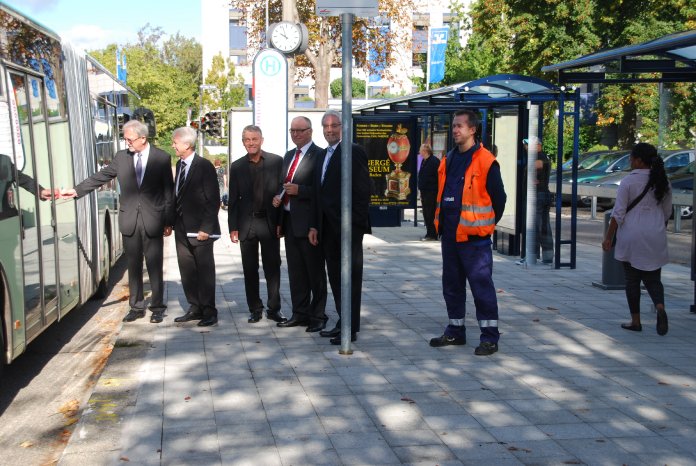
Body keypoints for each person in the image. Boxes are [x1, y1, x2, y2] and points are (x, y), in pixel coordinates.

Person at [62, 120, 174, 323]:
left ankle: (157, 306)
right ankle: (137, 306)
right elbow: (103, 176)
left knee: (154, 264)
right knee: (133, 265)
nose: (127, 142)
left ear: (142, 138)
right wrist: (77, 190)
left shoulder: (161, 158)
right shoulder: (121, 158)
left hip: (153, 219)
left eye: (129, 139)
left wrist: (168, 221)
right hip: (129, 218)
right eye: (125, 138)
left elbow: (168, 192)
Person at [429, 109, 506, 356]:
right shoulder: (448, 159)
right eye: (453, 126)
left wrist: (485, 226)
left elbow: (499, 199)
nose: (455, 130)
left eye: (460, 126)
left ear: (472, 129)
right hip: (450, 235)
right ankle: (455, 331)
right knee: (451, 285)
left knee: (481, 286)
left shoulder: (485, 160)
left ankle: (489, 338)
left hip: (475, 239)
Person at [308, 110, 371, 345]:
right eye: (326, 126)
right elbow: (318, 193)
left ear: (343, 127)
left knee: (350, 278)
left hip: (347, 230)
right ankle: (343, 321)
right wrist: (314, 225)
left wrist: (353, 226)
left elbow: (363, 191)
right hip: (326, 230)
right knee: (335, 277)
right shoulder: (323, 155)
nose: (330, 130)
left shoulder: (353, 151)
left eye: (334, 125)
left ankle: (350, 328)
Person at [602, 142, 671, 336]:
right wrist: (657, 229)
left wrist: (609, 238)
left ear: (640, 161)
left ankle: (636, 321)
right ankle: (659, 307)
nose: (630, 161)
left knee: (632, 280)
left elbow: (618, 214)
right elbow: (667, 213)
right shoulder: (663, 181)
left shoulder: (628, 182)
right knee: (653, 279)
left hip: (632, 234)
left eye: (632, 158)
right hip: (655, 233)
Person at [272, 116, 328, 332]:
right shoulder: (289, 156)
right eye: (292, 130)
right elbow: (283, 185)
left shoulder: (320, 155)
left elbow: (323, 190)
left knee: (314, 273)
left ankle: (318, 315)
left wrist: (301, 191)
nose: (295, 134)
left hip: (309, 224)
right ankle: (300, 313)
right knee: (296, 273)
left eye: (300, 130)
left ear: (310, 131)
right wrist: (279, 202)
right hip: (289, 221)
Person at [228, 125, 287, 324]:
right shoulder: (236, 167)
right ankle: (255, 308)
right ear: (243, 142)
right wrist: (232, 227)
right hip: (246, 224)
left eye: (254, 139)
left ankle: (274, 308)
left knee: (273, 268)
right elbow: (233, 199)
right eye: (247, 140)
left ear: (262, 140)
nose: (251, 143)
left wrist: (281, 223)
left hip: (269, 223)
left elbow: (282, 192)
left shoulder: (276, 162)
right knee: (249, 268)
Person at [171, 127, 221, 327]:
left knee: (204, 270)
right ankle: (195, 307)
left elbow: (212, 199)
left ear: (187, 144)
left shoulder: (204, 166)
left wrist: (206, 228)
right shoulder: (180, 164)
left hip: (200, 229)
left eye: (175, 142)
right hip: (181, 227)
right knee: (187, 269)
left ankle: (209, 310)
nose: (173, 145)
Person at [523, 136, 553, 264]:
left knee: (536, 226)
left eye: (530, 145)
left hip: (538, 195)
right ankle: (545, 256)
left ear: (538, 146)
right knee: (542, 226)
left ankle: (534, 256)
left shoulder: (540, 158)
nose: (527, 148)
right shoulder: (540, 157)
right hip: (540, 195)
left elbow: (537, 167)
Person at [418, 143, 439, 241]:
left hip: (431, 192)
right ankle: (429, 232)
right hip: (425, 192)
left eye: (421, 149)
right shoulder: (424, 161)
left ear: (425, 150)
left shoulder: (434, 161)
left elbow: (437, 177)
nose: (419, 151)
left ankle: (432, 234)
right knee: (426, 213)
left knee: (430, 213)